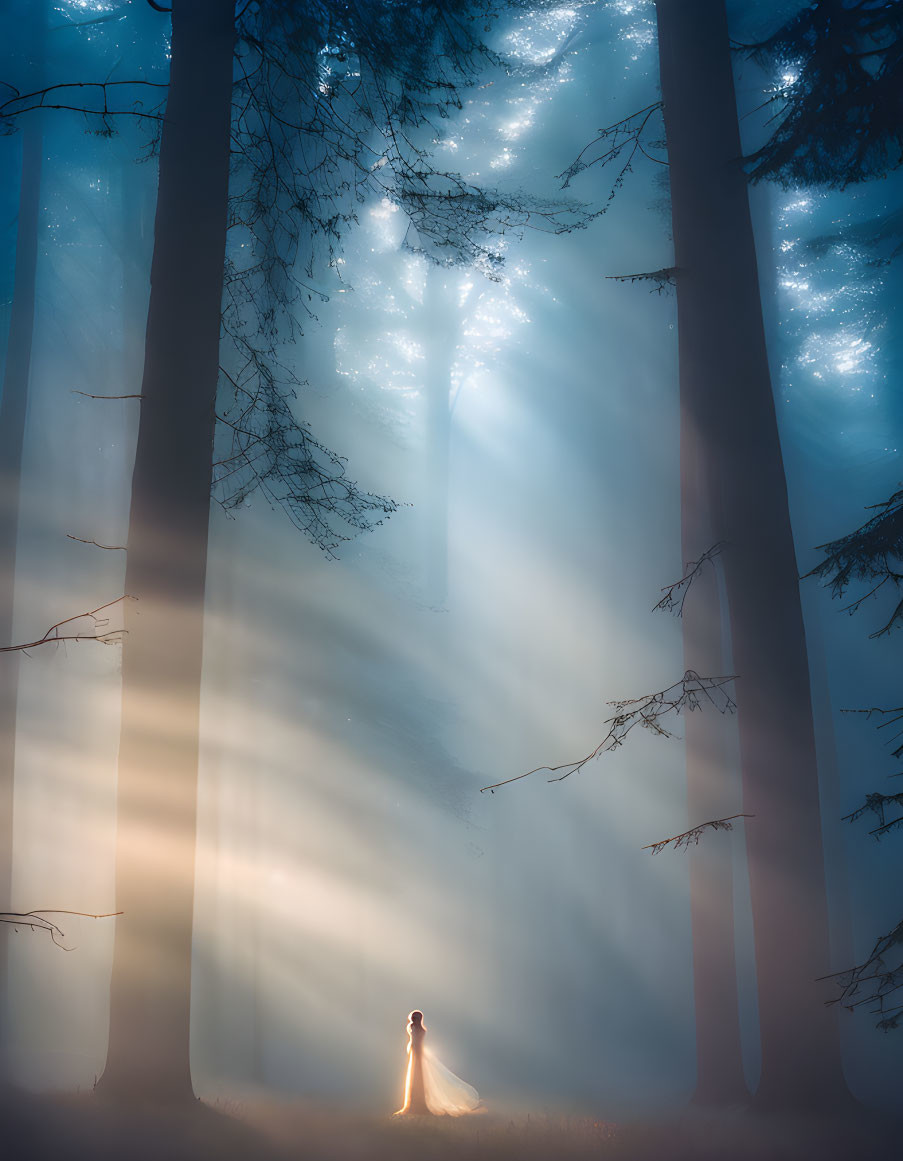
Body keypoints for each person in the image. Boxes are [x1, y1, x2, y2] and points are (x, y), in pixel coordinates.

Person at [395, 1009, 482, 1116]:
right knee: (414, 1077)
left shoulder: (420, 1030)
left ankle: (419, 1104)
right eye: (413, 1018)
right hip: (415, 1054)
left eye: (415, 1018)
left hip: (418, 1055)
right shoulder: (413, 1028)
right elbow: (413, 1042)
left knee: (419, 1077)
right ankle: (414, 1103)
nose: (413, 1020)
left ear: (419, 1019)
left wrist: (415, 1050)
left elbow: (416, 1043)